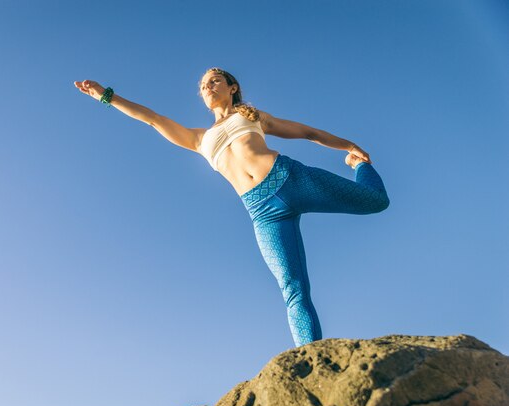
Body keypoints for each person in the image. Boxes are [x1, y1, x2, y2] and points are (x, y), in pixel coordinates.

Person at [74, 68, 389, 347]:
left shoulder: (252, 116)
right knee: (293, 290)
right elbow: (152, 118)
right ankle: (311, 362)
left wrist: (349, 146)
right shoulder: (199, 139)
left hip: (292, 179)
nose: (208, 87)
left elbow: (308, 133)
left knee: (376, 201)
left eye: (215, 81)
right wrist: (106, 96)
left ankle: (358, 166)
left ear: (232, 87)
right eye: (203, 86)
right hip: (263, 213)